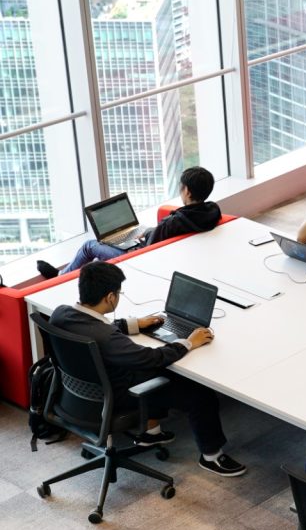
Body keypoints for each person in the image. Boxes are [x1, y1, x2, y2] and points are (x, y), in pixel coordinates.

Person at [49, 261, 246, 476]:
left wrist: (133, 324)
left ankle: (151, 432)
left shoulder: (60, 314)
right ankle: (212, 456)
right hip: (117, 397)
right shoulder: (107, 338)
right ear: (110, 297)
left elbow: (94, 326)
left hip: (78, 395)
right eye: (118, 293)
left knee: (160, 374)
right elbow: (151, 358)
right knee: (199, 393)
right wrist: (189, 342)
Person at [37, 166, 222, 279]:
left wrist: (143, 239)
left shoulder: (172, 223)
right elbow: (165, 232)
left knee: (89, 246)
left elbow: (150, 249)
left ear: (187, 191)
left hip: (139, 258)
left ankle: (60, 277)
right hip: (179, 253)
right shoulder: (211, 212)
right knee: (102, 254)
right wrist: (149, 231)